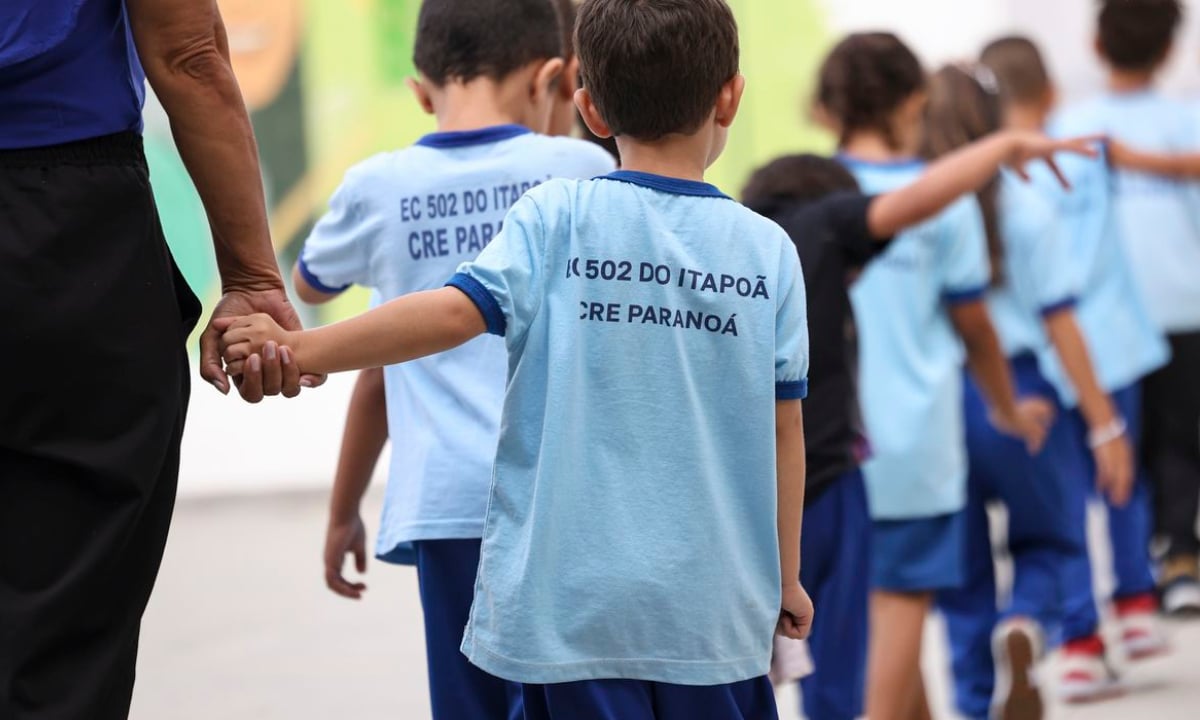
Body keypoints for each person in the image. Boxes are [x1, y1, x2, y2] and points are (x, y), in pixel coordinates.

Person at [223, 1, 811, 717]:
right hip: (714, 614)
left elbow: (448, 313)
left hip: (572, 616)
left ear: (589, 109)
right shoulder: (768, 250)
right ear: (731, 96)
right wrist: (786, 577)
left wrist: (299, 346)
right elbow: (784, 428)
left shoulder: (556, 214)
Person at [296, 0, 615, 717]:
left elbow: (314, 288)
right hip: (565, 504)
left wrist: (343, 511)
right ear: (552, 78)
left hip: (445, 507)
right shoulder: (580, 170)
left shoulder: (376, 186)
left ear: (419, 91)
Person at [0, 1, 308, 718]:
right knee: (63, 637)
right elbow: (187, 55)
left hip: (68, 219)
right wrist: (251, 276)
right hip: (66, 235)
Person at [742, 129, 1097, 720]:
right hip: (831, 485)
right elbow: (922, 200)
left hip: (743, 498)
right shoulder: (825, 225)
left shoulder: (743, 244)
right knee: (849, 661)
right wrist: (1003, 147)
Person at [813, 32, 1048, 720]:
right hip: (915, 447)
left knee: (880, 626)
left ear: (827, 107)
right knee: (900, 607)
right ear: (915, 101)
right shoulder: (943, 197)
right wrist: (1007, 408)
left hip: (826, 446)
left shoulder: (809, 193)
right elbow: (976, 327)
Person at [922, 63, 1137, 720]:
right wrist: (1105, 424)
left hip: (942, 400)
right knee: (1052, 538)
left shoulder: (916, 204)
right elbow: (1062, 323)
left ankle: (973, 702)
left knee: (961, 573)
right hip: (1022, 391)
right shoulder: (1027, 204)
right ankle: (1024, 620)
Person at [981, 35, 1172, 701]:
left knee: (1060, 505)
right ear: (1051, 93)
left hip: (1035, 359)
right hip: (1108, 342)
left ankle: (1077, 638)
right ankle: (1136, 604)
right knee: (1122, 475)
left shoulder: (988, 178)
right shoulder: (1085, 152)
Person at [1055, 0, 1200, 619]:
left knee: (1128, 442)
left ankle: (1149, 567)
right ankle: (1174, 560)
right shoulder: (1184, 120)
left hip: (1112, 318)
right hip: (1173, 305)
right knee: (1175, 441)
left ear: (1096, 43)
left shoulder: (1072, 123)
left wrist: (1133, 161)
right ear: (1169, 48)